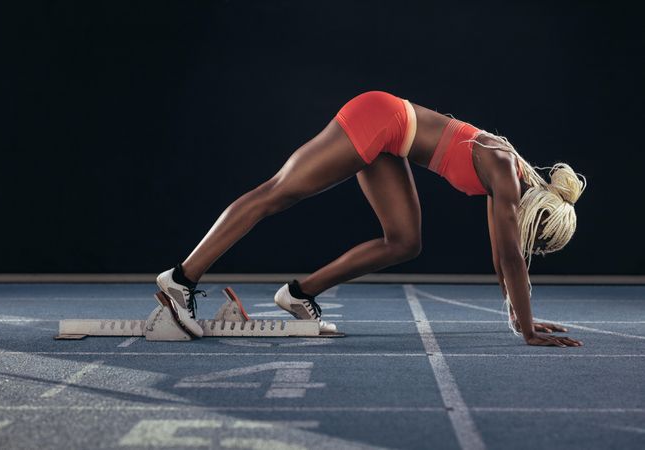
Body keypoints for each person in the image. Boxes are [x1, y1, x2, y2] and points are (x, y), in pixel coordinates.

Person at [156, 90, 586, 346]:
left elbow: (503, 257)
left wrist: (517, 314)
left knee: (403, 240)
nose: (529, 245)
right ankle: (181, 279)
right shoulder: (506, 173)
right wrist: (528, 330)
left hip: (390, 139)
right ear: (534, 214)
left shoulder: (511, 176)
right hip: (379, 119)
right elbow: (511, 259)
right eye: (537, 238)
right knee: (276, 193)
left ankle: (297, 294)